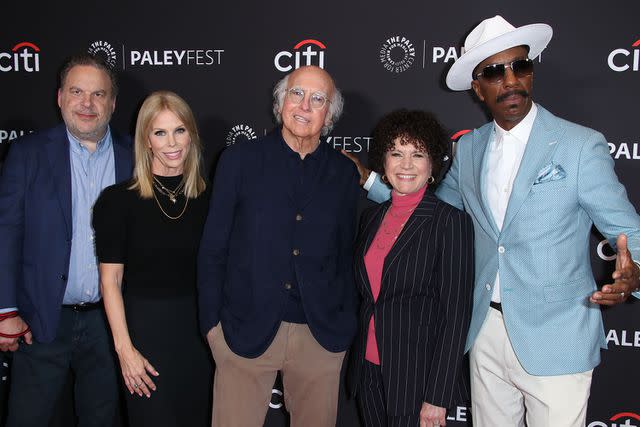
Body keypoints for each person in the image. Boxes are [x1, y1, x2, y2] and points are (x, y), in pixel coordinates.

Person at [357, 15, 640, 427]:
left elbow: (628, 229)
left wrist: (637, 275)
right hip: (485, 332)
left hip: (558, 338)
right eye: (493, 71)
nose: (510, 80)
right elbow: (428, 212)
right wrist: (373, 183)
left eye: (520, 67)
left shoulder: (580, 146)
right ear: (477, 87)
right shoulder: (469, 149)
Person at [197, 65, 360, 427]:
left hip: (320, 336)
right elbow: (213, 249)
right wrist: (213, 327)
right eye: (296, 93)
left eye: (318, 99)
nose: (304, 105)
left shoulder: (343, 173)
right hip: (243, 329)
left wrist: (343, 324)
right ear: (280, 101)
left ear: (329, 114)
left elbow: (346, 252)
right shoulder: (239, 160)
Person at [0, 53, 131, 426]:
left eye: (98, 94)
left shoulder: (134, 156)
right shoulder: (27, 154)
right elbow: (6, 232)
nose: (87, 104)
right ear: (60, 97)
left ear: (113, 103)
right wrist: (5, 310)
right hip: (42, 319)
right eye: (77, 92)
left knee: (102, 419)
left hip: (110, 324)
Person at [347, 110, 474, 427]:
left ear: (432, 165)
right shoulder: (372, 218)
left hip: (418, 379)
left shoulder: (449, 222)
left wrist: (437, 395)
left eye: (417, 154)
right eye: (396, 153)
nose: (406, 165)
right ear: (383, 162)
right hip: (369, 369)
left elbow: (455, 315)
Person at [92, 91, 212, 426]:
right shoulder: (117, 202)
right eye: (160, 132)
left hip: (199, 340)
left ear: (192, 134)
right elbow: (110, 281)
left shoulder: (209, 198)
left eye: (180, 130)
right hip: (144, 337)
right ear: (146, 140)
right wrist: (125, 351)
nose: (172, 142)